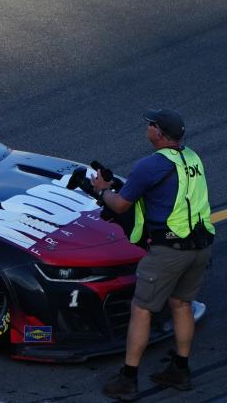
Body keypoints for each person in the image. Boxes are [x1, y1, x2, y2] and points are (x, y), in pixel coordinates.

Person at [95, 109, 215, 399]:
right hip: (200, 245)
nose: (147, 128)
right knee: (181, 303)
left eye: (150, 125)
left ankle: (128, 378)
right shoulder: (192, 157)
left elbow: (121, 205)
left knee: (142, 309)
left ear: (159, 133)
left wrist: (101, 190)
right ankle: (180, 370)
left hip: (169, 250)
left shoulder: (151, 165)